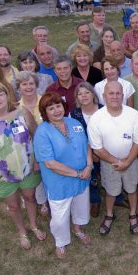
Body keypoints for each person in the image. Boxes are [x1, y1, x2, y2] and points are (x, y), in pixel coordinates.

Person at [0, 81, 46, 250]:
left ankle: (33, 225)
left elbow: (37, 135)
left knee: (30, 198)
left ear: (7, 95)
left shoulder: (22, 112)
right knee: (13, 205)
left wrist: (36, 161)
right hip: (1, 174)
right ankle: (22, 232)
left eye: (0, 94)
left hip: (27, 169)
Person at [33, 92, 92, 258]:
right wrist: (77, 173)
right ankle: (60, 241)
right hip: (59, 182)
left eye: (58, 106)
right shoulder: (42, 132)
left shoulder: (74, 122)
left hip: (82, 178)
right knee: (59, 216)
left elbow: (87, 145)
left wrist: (88, 165)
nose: (56, 110)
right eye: (51, 108)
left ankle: (77, 228)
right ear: (45, 113)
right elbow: (50, 163)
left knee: (80, 207)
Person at [88, 81, 138, 235]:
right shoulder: (96, 118)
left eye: (118, 93)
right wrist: (117, 162)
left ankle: (133, 214)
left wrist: (127, 162)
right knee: (110, 191)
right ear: (103, 96)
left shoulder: (134, 115)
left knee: (132, 189)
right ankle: (109, 214)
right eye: (111, 93)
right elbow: (97, 148)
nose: (115, 96)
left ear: (123, 95)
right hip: (109, 163)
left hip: (131, 160)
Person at [16, 71, 49, 216]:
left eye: (31, 83)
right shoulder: (14, 108)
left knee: (44, 176)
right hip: (24, 149)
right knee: (26, 175)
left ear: (36, 85)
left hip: (45, 147)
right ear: (19, 87)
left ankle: (43, 201)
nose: (28, 87)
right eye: (24, 84)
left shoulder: (46, 102)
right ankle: (26, 196)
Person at [69, 82, 103, 218]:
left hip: (105, 150)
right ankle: (94, 201)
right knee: (91, 175)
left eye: (87, 92)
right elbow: (73, 137)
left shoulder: (103, 110)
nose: (84, 96)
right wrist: (90, 153)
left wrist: (99, 152)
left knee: (109, 174)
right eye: (80, 94)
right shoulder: (73, 114)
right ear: (77, 98)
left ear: (93, 94)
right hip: (85, 152)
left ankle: (116, 197)